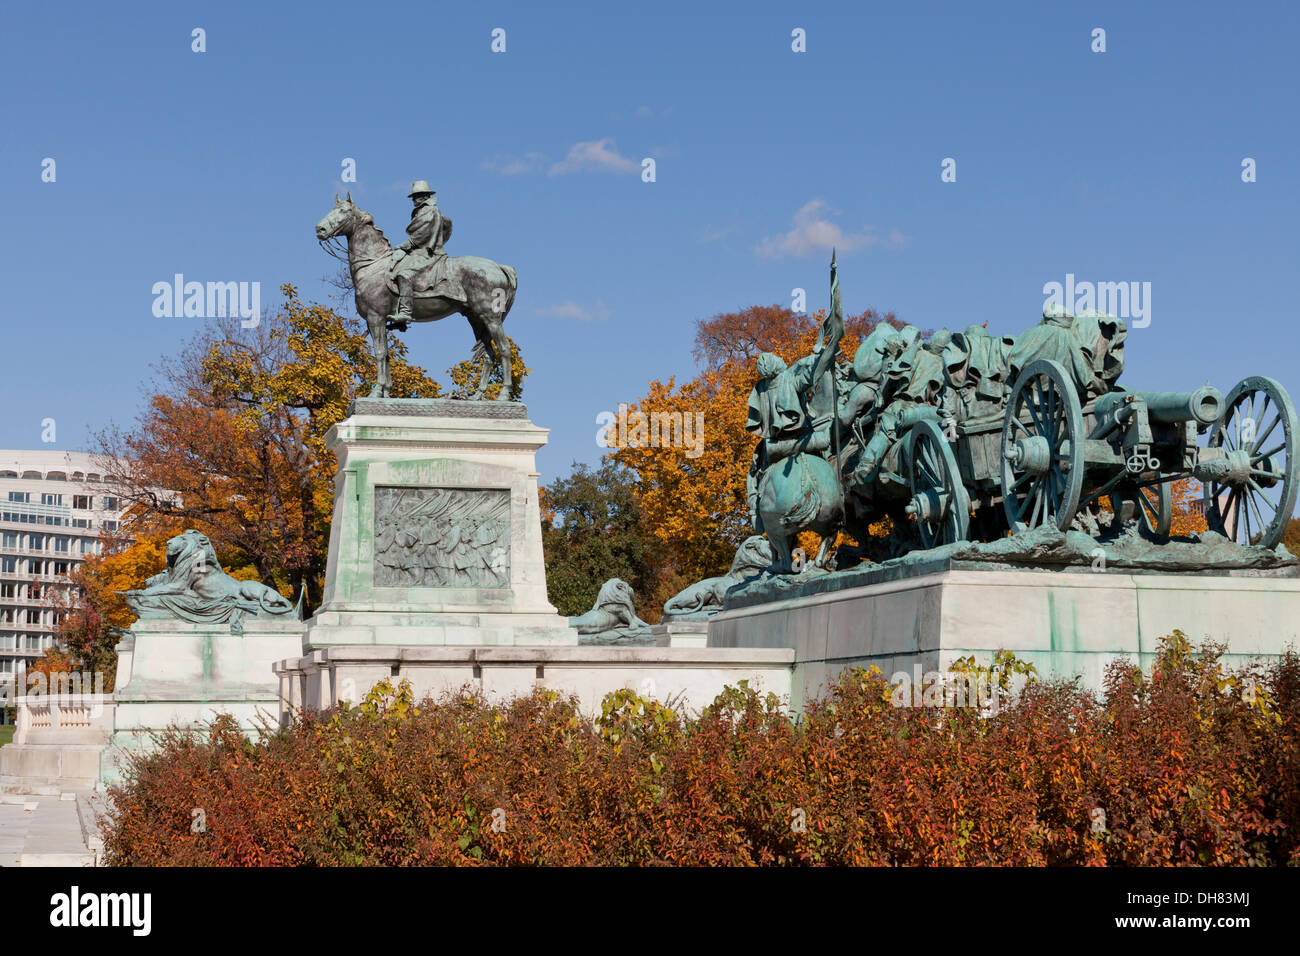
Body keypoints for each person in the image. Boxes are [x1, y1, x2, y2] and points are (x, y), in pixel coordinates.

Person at [388, 180, 450, 328]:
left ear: (425, 196)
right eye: (413, 196)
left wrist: (403, 246)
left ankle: (405, 312)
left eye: (417, 196)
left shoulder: (429, 210)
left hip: (428, 253)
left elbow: (421, 235)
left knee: (404, 274)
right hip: (418, 251)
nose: (414, 199)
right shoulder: (421, 211)